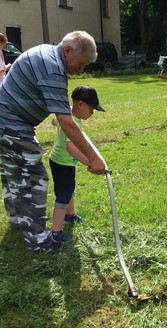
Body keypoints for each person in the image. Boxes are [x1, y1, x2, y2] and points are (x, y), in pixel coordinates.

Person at [0, 30, 107, 253]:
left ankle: (18, 220)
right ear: (68, 51)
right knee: (33, 179)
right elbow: (67, 123)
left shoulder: (48, 55)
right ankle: (39, 241)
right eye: (81, 64)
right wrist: (93, 157)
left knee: (13, 172)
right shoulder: (53, 68)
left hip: (1, 117)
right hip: (11, 122)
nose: (82, 69)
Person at [49, 85, 105, 240]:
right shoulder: (75, 124)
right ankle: (56, 232)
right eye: (91, 109)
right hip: (63, 164)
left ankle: (70, 215)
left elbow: (54, 122)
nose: (92, 113)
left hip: (58, 161)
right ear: (80, 104)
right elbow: (71, 148)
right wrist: (90, 162)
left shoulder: (65, 117)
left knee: (69, 190)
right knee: (63, 196)